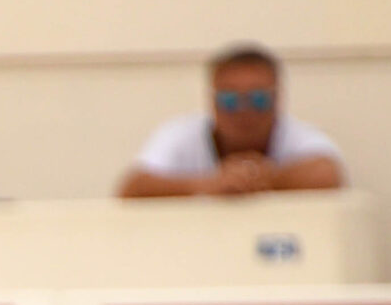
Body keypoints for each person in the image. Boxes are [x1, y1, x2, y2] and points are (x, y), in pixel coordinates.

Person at [119, 45, 345, 200]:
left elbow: (328, 173)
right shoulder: (179, 134)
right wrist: (208, 185)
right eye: (230, 100)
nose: (243, 111)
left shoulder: (297, 135)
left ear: (278, 98)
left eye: (258, 99)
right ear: (211, 100)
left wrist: (259, 179)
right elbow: (132, 188)